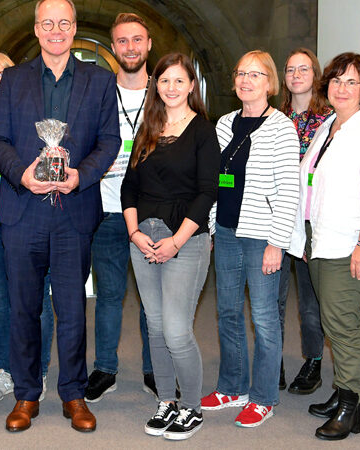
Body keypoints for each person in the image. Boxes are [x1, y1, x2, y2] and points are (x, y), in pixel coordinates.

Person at [0, 0, 120, 433]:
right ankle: (26, 395)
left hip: (73, 214)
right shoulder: (13, 79)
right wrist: (23, 174)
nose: (56, 30)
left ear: (75, 28)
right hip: (23, 211)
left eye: (64, 23)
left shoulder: (100, 80)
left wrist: (80, 175)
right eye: (48, 23)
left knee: (72, 308)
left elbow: (110, 141)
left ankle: (73, 394)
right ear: (37, 29)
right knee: (23, 308)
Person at [287, 52, 360, 440]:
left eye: (352, 82)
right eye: (336, 80)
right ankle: (346, 395)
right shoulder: (328, 127)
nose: (342, 88)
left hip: (349, 246)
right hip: (319, 241)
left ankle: (351, 408)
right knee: (333, 323)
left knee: (343, 325)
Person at [201, 50, 299, 428]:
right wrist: (212, 226)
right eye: (241, 73)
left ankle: (263, 397)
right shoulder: (224, 123)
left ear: (270, 84)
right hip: (226, 232)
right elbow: (215, 181)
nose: (246, 80)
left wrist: (277, 242)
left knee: (264, 317)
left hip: (262, 237)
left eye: (256, 75)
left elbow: (290, 190)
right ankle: (233, 386)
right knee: (227, 312)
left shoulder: (281, 128)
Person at [122, 52, 217, 440]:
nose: (171, 88)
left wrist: (176, 242)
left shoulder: (202, 130)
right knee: (156, 326)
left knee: (177, 330)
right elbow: (129, 186)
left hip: (186, 240)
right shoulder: (148, 126)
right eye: (164, 81)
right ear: (155, 85)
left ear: (191, 86)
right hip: (143, 237)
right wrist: (134, 233)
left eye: (179, 80)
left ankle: (191, 407)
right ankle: (166, 401)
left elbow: (207, 191)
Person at [0, 52, 56, 403]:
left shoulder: (37, 119)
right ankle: (7, 369)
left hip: (30, 221)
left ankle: (37, 369)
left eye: (0, 74)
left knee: (36, 300)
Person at [85, 12, 154, 403]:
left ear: (148, 45)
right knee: (109, 296)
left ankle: (153, 369)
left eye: (137, 40)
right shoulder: (98, 92)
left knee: (152, 300)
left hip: (152, 215)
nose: (130, 47)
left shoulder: (164, 92)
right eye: (123, 41)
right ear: (113, 48)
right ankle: (105, 369)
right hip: (107, 211)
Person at [276, 48, 332, 394]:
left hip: (312, 220)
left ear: (316, 75)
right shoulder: (274, 116)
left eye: (304, 69)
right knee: (273, 298)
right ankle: (273, 362)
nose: (296, 75)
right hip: (277, 218)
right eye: (290, 69)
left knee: (311, 303)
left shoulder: (330, 119)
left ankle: (313, 362)